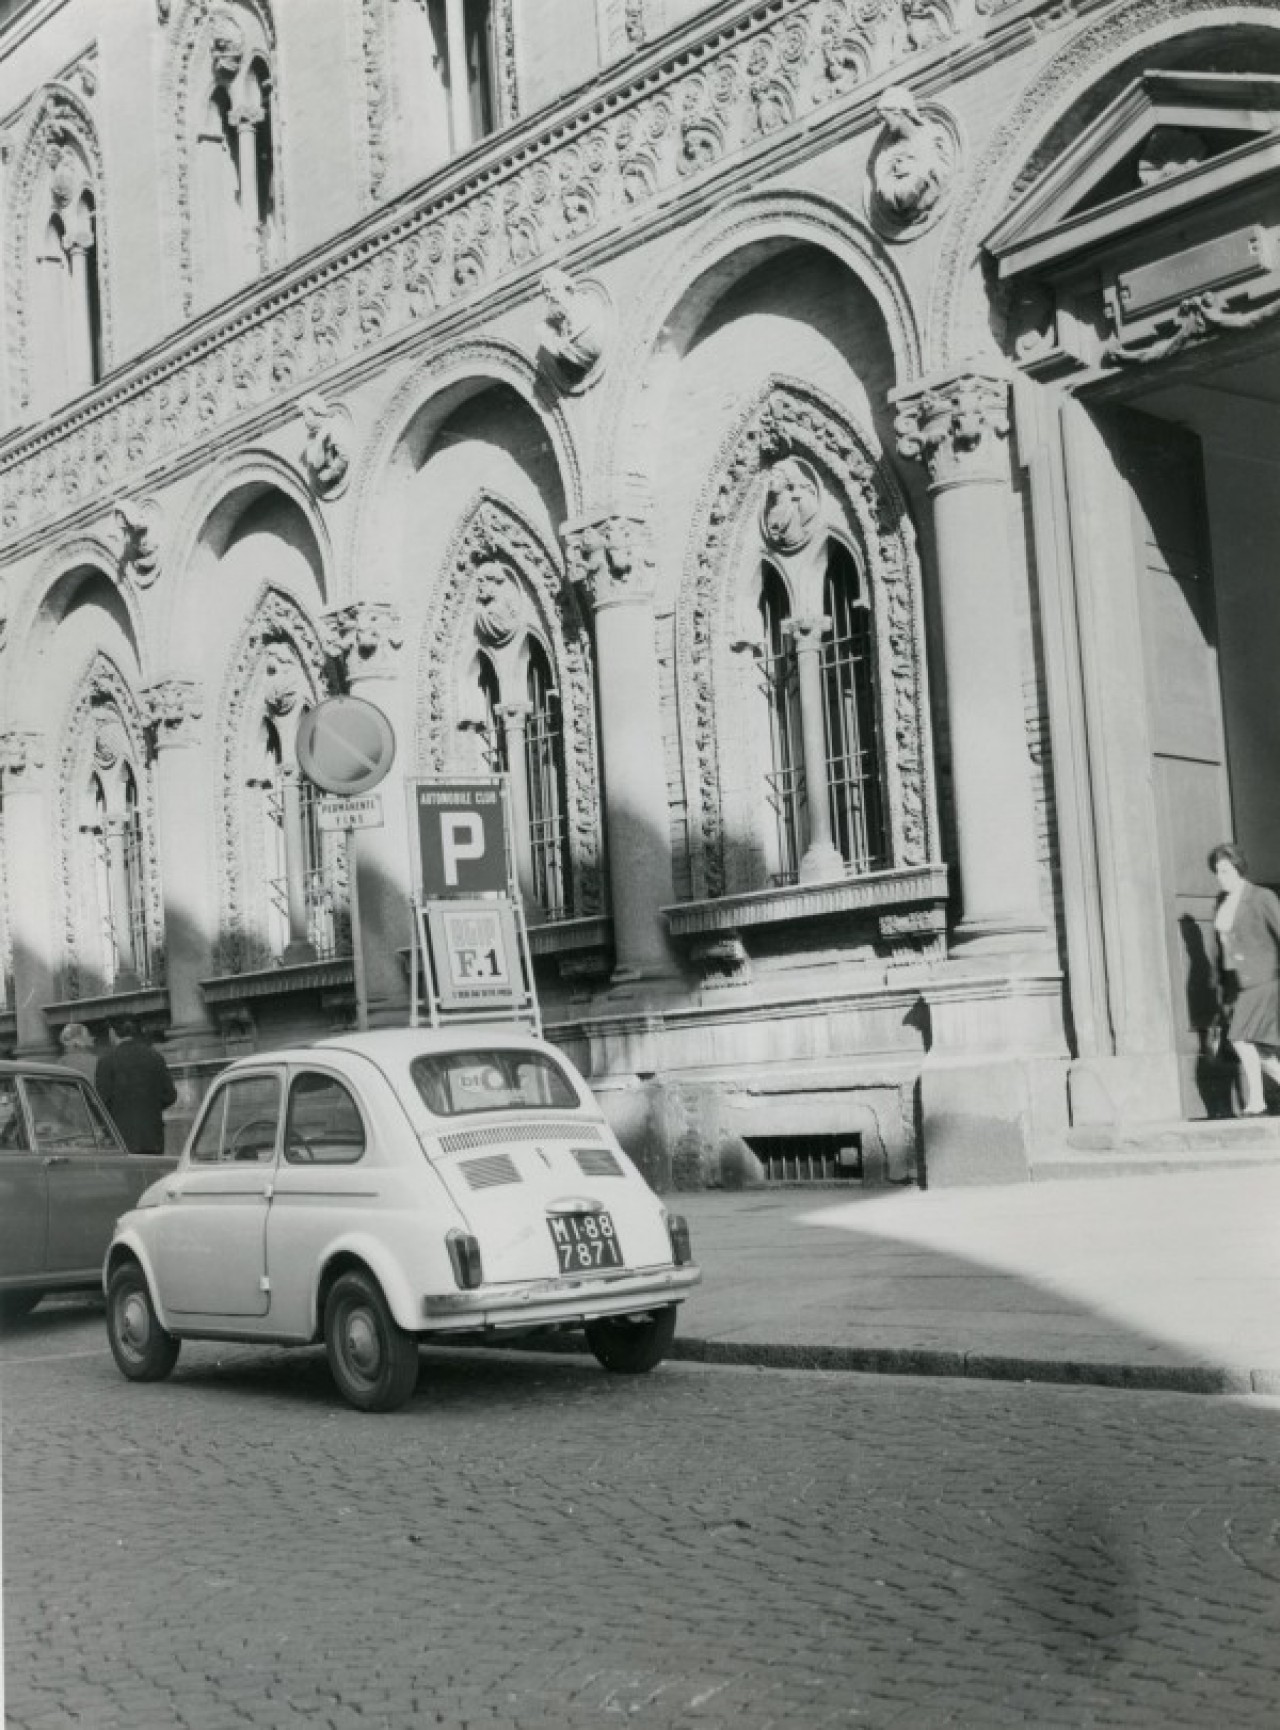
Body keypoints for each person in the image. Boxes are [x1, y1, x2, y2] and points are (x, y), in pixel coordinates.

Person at [1209, 842, 1280, 1116]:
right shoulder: (1222, 902)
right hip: (1240, 986)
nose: (1220, 877)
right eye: (1217, 872)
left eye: (1225, 871)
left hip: (1265, 982)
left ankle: (1257, 1101)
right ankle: (1258, 1100)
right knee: (1258, 1050)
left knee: (1240, 1039)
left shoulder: (1261, 897)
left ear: (1238, 868)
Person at [94, 1017, 177, 1155]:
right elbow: (170, 1096)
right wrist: (150, 1105)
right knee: (154, 1175)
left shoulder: (106, 1061)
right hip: (152, 1135)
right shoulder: (155, 1057)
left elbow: (102, 1102)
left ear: (112, 1033)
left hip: (120, 1137)